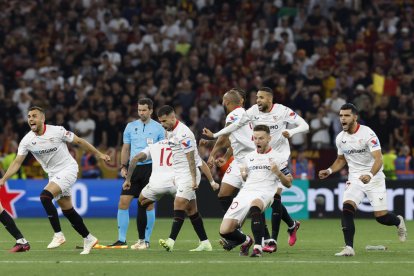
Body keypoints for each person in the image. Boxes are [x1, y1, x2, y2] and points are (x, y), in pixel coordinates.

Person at [204, 87, 309, 252]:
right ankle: (277, 228)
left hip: (276, 156)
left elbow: (304, 125)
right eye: (256, 97)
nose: (257, 100)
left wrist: (291, 131)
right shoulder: (251, 112)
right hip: (248, 159)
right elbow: (236, 137)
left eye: (260, 97)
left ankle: (270, 240)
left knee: (272, 197)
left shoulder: (280, 111)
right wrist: (220, 145)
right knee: (230, 195)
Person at [0, 106, 111, 255]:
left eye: (34, 116)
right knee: (67, 210)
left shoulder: (57, 131)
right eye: (29, 116)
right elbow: (17, 162)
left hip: (69, 169)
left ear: (42, 119)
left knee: (45, 196)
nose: (31, 119)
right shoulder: (27, 140)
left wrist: (99, 154)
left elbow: (79, 141)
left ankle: (58, 235)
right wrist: (4, 179)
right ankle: (89, 238)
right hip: (53, 175)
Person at [318, 103, 407, 257]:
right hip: (355, 178)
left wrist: (370, 175)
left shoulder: (368, 134)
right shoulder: (340, 138)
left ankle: (398, 222)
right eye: (340, 116)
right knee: (347, 208)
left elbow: (379, 160)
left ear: (355, 117)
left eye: (346, 115)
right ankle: (349, 248)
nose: (342, 119)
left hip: (375, 177)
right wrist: (330, 170)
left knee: (382, 217)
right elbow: (341, 159)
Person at [122, 139, 219, 250]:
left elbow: (135, 158)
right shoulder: (182, 145)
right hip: (177, 181)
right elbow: (199, 162)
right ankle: (202, 241)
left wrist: (128, 179)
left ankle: (142, 241)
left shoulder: (154, 145)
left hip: (157, 183)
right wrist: (212, 182)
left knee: (141, 202)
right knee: (191, 210)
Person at [219, 125, 293, 257]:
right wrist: (243, 174)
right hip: (246, 191)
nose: (257, 141)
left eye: (261, 138)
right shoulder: (249, 157)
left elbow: (288, 183)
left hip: (266, 191)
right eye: (255, 138)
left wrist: (278, 173)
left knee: (255, 205)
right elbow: (245, 177)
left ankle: (258, 247)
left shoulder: (278, 157)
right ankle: (246, 240)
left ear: (269, 138)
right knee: (225, 230)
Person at [110, 98, 165, 249]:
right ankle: (121, 239)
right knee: (123, 202)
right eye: (139, 110)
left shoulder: (159, 129)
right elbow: (126, 148)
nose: (141, 112)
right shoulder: (130, 126)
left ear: (151, 111)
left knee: (148, 205)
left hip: (151, 169)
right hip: (134, 170)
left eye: (144, 110)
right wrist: (123, 166)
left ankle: (145, 241)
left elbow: (162, 151)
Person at [157, 105, 213, 252]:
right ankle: (205, 242)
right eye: (160, 122)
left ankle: (170, 241)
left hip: (189, 174)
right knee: (191, 210)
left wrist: (194, 180)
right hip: (180, 174)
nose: (162, 125)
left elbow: (191, 159)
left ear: (172, 117)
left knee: (179, 203)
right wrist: (175, 175)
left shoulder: (184, 133)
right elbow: (175, 156)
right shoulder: (168, 131)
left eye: (164, 121)